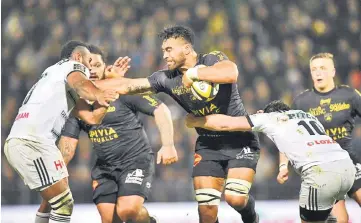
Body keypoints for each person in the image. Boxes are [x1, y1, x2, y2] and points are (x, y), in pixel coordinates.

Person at [101, 25, 260, 223]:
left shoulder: (211, 59)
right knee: (207, 212)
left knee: (235, 199)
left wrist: (194, 75)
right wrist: (94, 82)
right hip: (208, 144)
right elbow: (128, 86)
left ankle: (251, 217)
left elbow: (231, 72)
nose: (165, 55)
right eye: (163, 51)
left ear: (186, 49)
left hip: (240, 139)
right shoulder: (165, 78)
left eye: (169, 50)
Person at [37, 44, 177, 223]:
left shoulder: (121, 89)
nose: (93, 70)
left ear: (105, 67)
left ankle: (149, 220)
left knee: (127, 211)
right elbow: (67, 147)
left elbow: (161, 109)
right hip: (104, 168)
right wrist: (54, 177)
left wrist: (168, 144)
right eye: (88, 66)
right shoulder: (77, 104)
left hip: (135, 161)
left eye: (97, 65)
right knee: (110, 219)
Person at [3, 40, 120, 223]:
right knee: (64, 203)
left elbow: (92, 118)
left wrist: (110, 87)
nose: (90, 69)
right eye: (89, 61)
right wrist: (99, 93)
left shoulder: (56, 79)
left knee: (53, 201)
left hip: (39, 143)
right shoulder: (72, 66)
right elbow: (82, 84)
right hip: (31, 142)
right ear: (78, 56)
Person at [185, 100, 356, 223]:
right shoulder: (307, 117)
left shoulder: (271, 118)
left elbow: (228, 124)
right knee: (328, 215)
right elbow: (289, 141)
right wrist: (283, 166)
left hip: (320, 174)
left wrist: (197, 121)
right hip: (346, 167)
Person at [292, 53, 361, 222]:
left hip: (350, 162)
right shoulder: (301, 102)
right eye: (314, 69)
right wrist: (282, 166)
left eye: (323, 68)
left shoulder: (350, 95)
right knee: (339, 219)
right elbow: (289, 135)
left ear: (333, 72)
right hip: (323, 168)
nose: (318, 73)